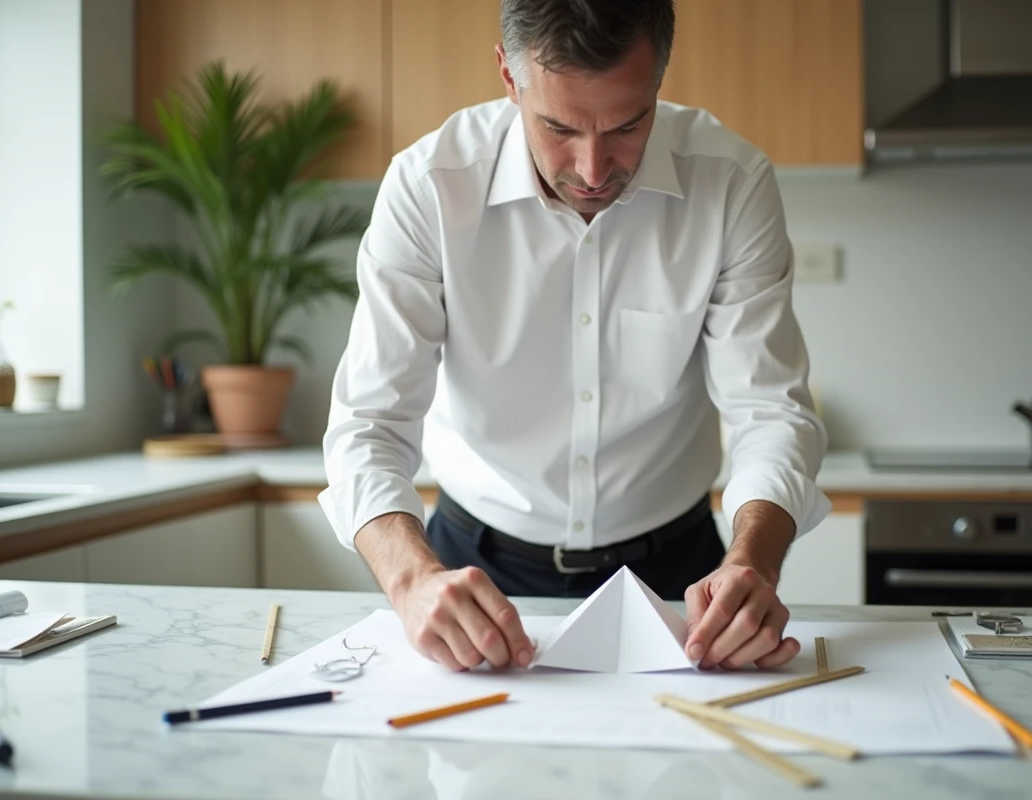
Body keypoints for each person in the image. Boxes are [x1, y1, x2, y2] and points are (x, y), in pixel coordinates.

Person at [320, 0, 829, 675]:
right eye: (559, 126)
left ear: (659, 80)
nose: (593, 170)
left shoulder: (732, 183)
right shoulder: (429, 187)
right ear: (508, 73)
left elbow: (770, 412)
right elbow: (368, 425)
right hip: (471, 569)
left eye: (628, 124)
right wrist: (412, 583)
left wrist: (753, 563)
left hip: (681, 576)